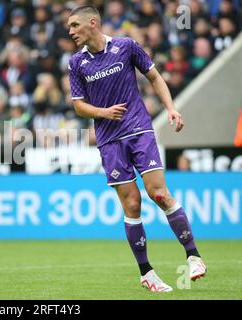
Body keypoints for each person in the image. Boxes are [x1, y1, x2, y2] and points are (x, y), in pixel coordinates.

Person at [67, 5, 206, 292]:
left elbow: (154, 76)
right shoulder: (76, 63)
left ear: (92, 23)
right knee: (132, 204)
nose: (71, 32)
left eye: (74, 26)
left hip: (139, 129)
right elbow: (78, 105)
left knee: (158, 193)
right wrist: (103, 113)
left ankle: (193, 256)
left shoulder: (126, 46)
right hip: (108, 140)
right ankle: (147, 273)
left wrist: (171, 108)